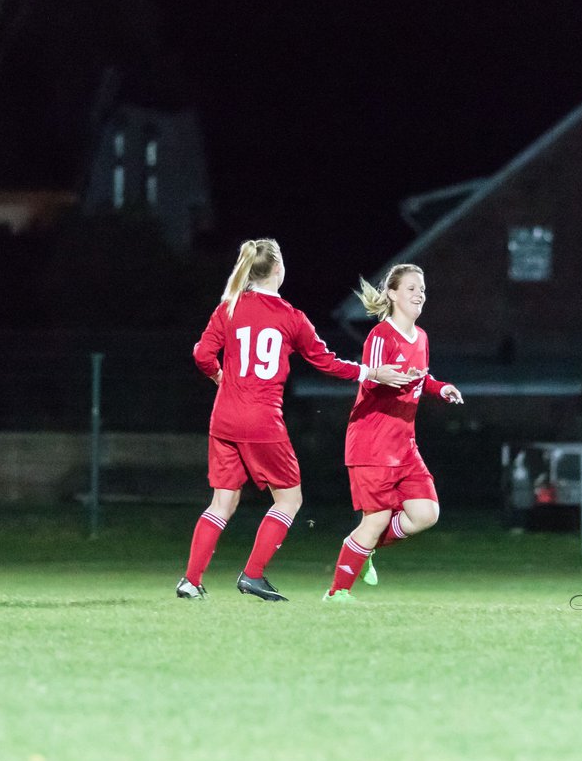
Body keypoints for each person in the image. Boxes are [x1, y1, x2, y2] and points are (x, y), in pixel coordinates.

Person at [179, 238, 411, 602]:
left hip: (223, 417)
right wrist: (371, 373)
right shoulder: (290, 316)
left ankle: (190, 581)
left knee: (221, 502)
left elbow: (202, 355)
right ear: (276, 269)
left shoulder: (229, 307)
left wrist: (221, 378)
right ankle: (252, 576)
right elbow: (326, 362)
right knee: (288, 500)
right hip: (261, 420)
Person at [324, 264, 463, 602]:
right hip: (371, 443)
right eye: (412, 288)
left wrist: (441, 388)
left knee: (426, 513)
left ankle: (365, 546)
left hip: (404, 445)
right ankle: (337, 593)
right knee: (377, 518)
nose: (420, 294)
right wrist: (382, 376)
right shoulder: (381, 336)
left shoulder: (422, 337)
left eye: (422, 289)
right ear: (392, 294)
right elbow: (369, 377)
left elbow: (422, 378)